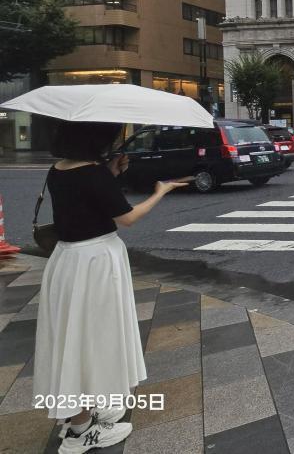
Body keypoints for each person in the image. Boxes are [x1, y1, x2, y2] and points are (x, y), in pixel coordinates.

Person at [34, 121, 190, 453]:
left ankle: (82, 414)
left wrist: (111, 172)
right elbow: (127, 217)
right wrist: (160, 192)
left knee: (75, 339)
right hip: (95, 262)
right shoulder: (94, 173)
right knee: (92, 338)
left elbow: (85, 201)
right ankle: (81, 432)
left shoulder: (58, 169)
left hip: (67, 260)